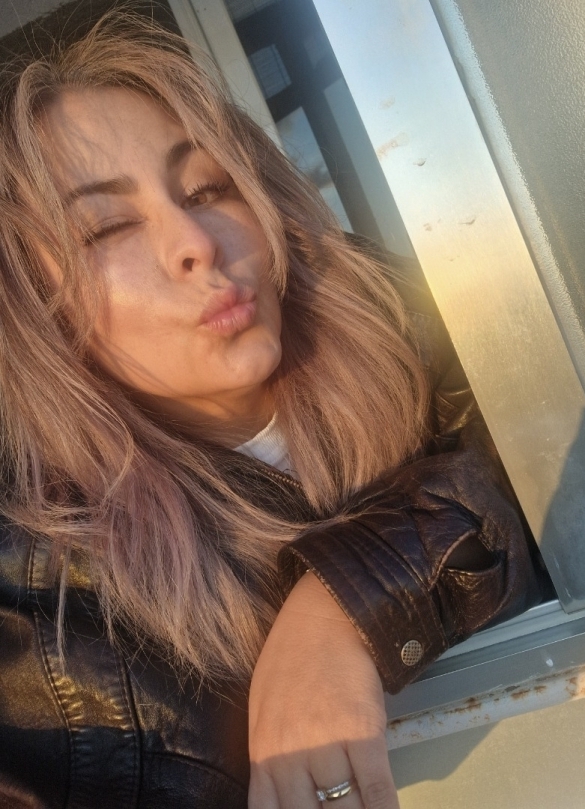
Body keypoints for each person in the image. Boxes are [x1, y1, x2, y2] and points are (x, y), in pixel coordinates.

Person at [0, 12, 540, 809]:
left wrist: (346, 599)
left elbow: (548, 454)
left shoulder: (433, 330)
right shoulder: (42, 614)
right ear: (34, 313)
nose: (196, 241)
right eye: (107, 226)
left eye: (207, 188)